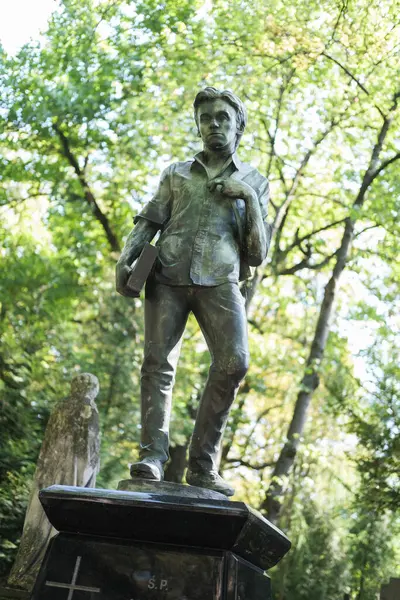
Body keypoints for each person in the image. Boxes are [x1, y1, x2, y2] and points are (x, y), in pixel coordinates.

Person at [116, 87, 270, 496]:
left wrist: (249, 199)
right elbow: (150, 219)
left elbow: (255, 255)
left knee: (234, 362)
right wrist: (126, 256)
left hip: (220, 280)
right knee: (157, 362)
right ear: (198, 125)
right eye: (206, 118)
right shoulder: (176, 173)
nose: (214, 124)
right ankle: (152, 455)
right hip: (166, 275)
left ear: (239, 125)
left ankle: (203, 465)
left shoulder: (253, 180)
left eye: (222, 117)